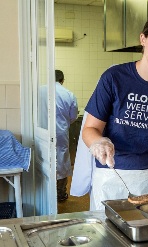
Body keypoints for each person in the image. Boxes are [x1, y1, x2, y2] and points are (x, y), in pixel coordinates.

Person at [81, 13, 148, 210]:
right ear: (143, 39)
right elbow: (89, 129)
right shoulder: (113, 78)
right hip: (113, 176)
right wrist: (99, 141)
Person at [55, 69, 78, 202]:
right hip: (60, 133)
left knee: (44, 161)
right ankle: (60, 193)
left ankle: (45, 191)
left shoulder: (39, 91)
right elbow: (73, 116)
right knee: (62, 161)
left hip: (41, 133)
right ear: (62, 80)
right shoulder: (68, 94)